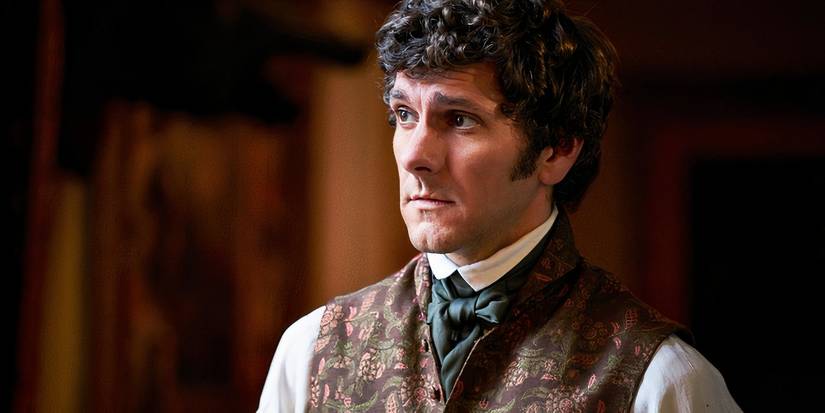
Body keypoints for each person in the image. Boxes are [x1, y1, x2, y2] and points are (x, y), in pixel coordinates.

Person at [258, 0, 741, 411]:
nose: (414, 156)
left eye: (459, 119)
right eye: (404, 115)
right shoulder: (310, 354)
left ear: (557, 150)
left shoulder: (661, 381)